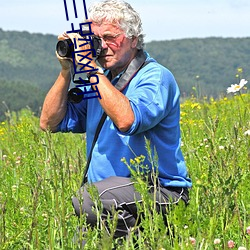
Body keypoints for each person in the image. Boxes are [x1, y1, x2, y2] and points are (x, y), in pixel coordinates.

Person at [40, 0, 192, 243]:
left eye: (110, 37)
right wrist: (66, 70)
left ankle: (145, 242)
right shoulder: (102, 82)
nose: (102, 47)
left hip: (159, 191)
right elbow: (49, 122)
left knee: (87, 200)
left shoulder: (154, 77)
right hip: (110, 198)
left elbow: (127, 120)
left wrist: (91, 70)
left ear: (133, 39)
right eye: (96, 39)